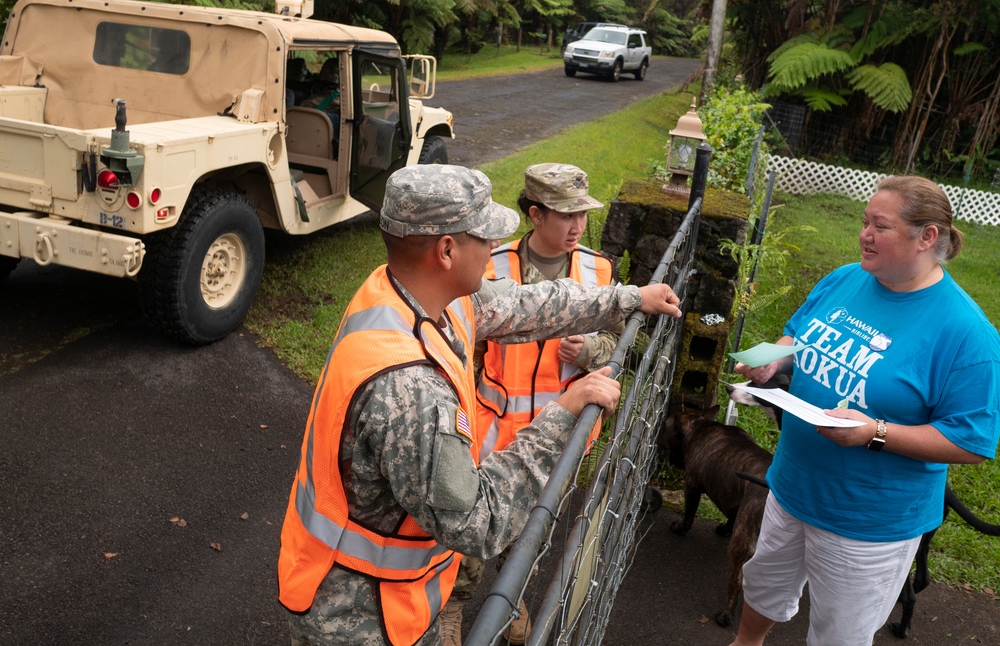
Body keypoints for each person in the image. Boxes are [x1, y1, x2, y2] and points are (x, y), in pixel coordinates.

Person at [277, 164, 683, 646]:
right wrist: (565, 413)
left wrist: (630, 297)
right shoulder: (411, 392)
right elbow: (477, 522)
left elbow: (526, 305)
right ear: (446, 250)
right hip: (360, 617)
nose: (494, 248)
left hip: (375, 595)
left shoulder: (406, 294)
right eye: (485, 236)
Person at [728, 175, 1000, 646]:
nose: (864, 234)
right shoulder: (847, 279)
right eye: (864, 221)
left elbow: (970, 441)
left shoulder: (967, 334)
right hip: (792, 485)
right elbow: (796, 333)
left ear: (926, 237)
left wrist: (876, 432)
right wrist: (776, 355)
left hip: (867, 521)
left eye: (880, 225)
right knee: (764, 583)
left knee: (840, 633)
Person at [441, 163, 619, 646]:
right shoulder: (490, 264)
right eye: (566, 214)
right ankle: (453, 610)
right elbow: (464, 343)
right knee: (476, 527)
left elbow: (615, 340)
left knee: (532, 528)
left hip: (561, 439)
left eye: (583, 213)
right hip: (494, 429)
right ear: (536, 215)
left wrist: (591, 352)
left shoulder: (597, 269)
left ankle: (511, 597)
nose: (577, 226)